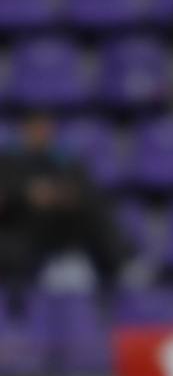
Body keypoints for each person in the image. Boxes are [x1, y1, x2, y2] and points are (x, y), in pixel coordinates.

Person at [0, 111, 124, 307]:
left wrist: (57, 195)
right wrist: (27, 194)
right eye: (36, 129)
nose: (41, 134)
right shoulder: (8, 162)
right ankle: (18, 306)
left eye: (45, 130)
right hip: (21, 228)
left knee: (95, 210)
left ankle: (121, 266)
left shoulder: (61, 160)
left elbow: (80, 190)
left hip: (59, 227)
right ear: (24, 131)